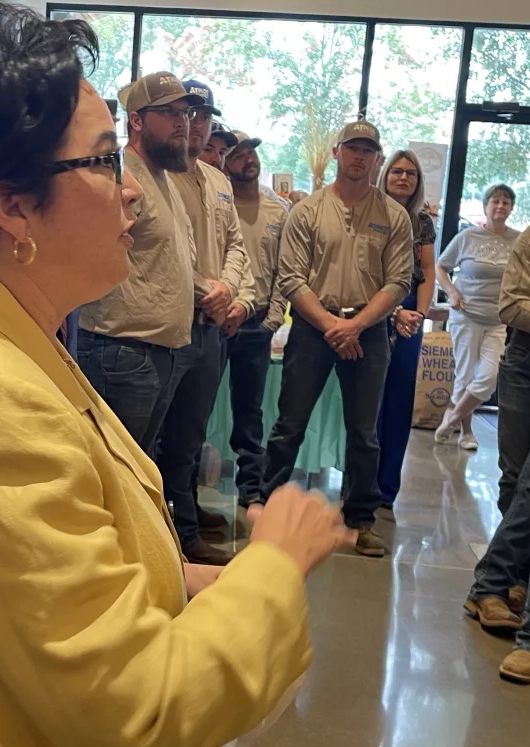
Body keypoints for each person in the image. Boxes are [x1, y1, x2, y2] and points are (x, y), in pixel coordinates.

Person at [0, 5, 356, 747]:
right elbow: (137, 707)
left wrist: (169, 578)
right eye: (105, 161)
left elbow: (26, 581)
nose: (132, 193)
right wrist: (274, 565)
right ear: (12, 204)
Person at [252, 119, 412, 558]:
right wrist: (332, 326)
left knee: (364, 432)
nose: (360, 156)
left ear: (377, 158)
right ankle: (268, 508)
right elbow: (291, 278)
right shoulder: (307, 211)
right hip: (313, 328)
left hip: (368, 332)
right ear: (338, 152)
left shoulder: (393, 216)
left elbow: (399, 281)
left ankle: (360, 519)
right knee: (289, 424)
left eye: (368, 150)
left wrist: (356, 325)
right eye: (353, 148)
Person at [77, 72, 206, 454]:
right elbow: (91, 258)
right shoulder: (120, 177)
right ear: (136, 120)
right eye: (170, 113)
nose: (183, 123)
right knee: (115, 469)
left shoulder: (162, 179)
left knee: (137, 470)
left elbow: (170, 261)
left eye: (186, 113)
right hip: (122, 351)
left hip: (157, 352)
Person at [159, 81, 254, 564]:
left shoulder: (217, 180)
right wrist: (209, 292)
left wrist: (228, 291)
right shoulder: (156, 176)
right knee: (162, 438)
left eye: (204, 117)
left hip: (211, 327)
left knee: (191, 435)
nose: (196, 125)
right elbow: (164, 258)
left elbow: (237, 245)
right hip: (171, 324)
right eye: (188, 115)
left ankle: (186, 520)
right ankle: (174, 535)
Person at [464, 212, 530, 685]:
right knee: (516, 479)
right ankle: (514, 580)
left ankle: (490, 584)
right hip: (526, 363)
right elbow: (512, 307)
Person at [224, 130, 288, 507]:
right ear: (225, 164)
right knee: (194, 408)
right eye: (238, 155)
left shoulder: (278, 210)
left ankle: (250, 489)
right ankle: (182, 495)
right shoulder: (218, 205)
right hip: (216, 320)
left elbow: (285, 270)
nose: (248, 159)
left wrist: (272, 320)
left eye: (251, 153)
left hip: (257, 323)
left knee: (250, 411)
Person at [435, 183, 521, 450]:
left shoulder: (519, 240)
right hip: (466, 315)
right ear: (486, 206)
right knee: (465, 376)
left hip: (498, 320)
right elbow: (441, 267)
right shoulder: (468, 236)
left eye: (505, 202)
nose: (500, 206)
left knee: (488, 377)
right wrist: (451, 292)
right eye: (495, 201)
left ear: (511, 208)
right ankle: (466, 433)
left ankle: (451, 417)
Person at [374, 150, 437, 510]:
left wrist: (420, 314)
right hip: (373, 309)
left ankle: (386, 489)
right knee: (369, 402)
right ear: (385, 175)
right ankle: (361, 484)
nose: (403, 178)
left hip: (411, 314)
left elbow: (427, 271)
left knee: (399, 401)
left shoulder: (422, 221)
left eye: (411, 173)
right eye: (397, 171)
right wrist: (393, 311)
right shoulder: (370, 212)